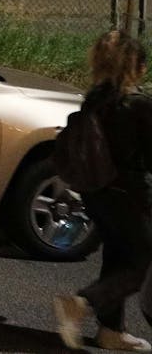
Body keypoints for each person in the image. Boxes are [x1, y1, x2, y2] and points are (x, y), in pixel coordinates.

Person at [54, 31, 152, 353]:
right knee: (140, 266)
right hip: (131, 195)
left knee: (116, 256)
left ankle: (111, 332)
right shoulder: (138, 106)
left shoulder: (94, 100)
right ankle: (82, 303)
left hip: (98, 193)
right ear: (135, 66)